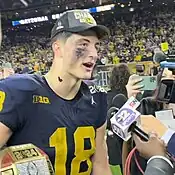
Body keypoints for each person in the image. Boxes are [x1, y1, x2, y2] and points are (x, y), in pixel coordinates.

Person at [0, 10, 112, 175]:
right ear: (58, 48)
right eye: (83, 44)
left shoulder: (96, 99)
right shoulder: (20, 92)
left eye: (95, 46)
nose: (94, 54)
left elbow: (101, 166)